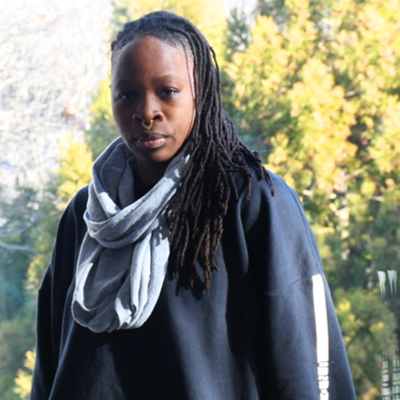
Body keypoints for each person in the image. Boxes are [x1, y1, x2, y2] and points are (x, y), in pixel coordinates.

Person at [30, 11, 356, 400]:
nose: (146, 112)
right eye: (127, 94)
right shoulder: (85, 216)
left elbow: (304, 356)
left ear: (200, 93)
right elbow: (49, 363)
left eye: (167, 91)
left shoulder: (249, 200)